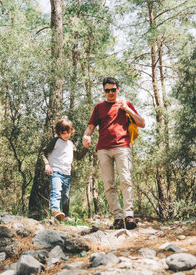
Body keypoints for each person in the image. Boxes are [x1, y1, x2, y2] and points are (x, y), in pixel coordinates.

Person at [82, 77, 145, 229]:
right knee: (109, 184)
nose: (110, 93)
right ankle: (118, 218)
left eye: (113, 89)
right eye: (107, 90)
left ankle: (129, 216)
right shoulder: (99, 107)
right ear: (104, 91)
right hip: (103, 149)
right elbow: (91, 127)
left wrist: (127, 110)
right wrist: (86, 135)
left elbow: (142, 123)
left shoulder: (125, 104)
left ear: (118, 90)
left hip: (122, 147)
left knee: (126, 180)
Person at [42, 118, 87, 221]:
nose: (66, 135)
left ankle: (65, 216)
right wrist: (46, 164)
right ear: (59, 132)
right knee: (56, 192)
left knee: (66, 196)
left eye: (68, 132)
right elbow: (43, 152)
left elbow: (78, 156)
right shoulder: (55, 141)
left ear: (71, 131)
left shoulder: (71, 144)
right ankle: (55, 211)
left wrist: (86, 148)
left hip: (67, 174)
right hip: (56, 171)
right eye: (63, 133)